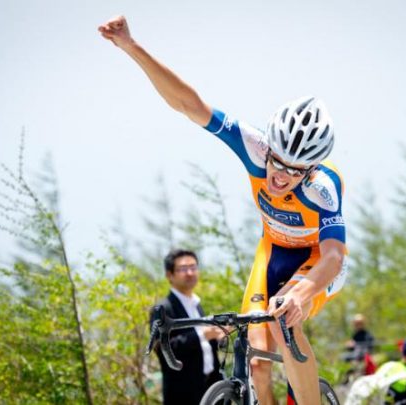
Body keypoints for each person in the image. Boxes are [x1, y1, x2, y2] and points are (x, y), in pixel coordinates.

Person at [99, 15, 348, 405]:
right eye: (277, 162)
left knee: (284, 317)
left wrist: (303, 294)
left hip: (315, 263)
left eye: (294, 171)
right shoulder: (254, 147)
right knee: (256, 360)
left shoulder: (323, 188)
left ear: (311, 170)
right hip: (272, 253)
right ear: (269, 146)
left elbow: (334, 255)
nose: (280, 177)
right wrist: (132, 47)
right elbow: (188, 104)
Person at [150, 249, 225, 405]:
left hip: (210, 387)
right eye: (183, 269)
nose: (190, 273)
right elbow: (163, 349)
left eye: (193, 267)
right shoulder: (163, 308)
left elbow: (203, 348)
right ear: (169, 275)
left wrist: (220, 336)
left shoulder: (196, 305)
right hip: (182, 392)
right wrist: (202, 335)